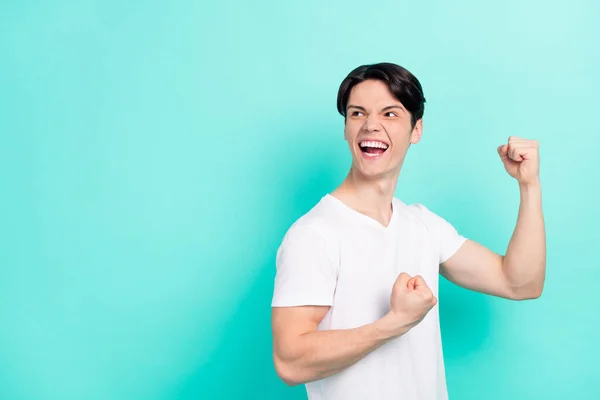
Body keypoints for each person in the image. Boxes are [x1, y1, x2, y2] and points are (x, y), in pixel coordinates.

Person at [270, 62, 546, 400]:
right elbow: (290, 363)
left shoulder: (423, 225)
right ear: (345, 128)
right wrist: (394, 323)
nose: (371, 125)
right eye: (358, 114)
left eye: (390, 114)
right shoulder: (314, 235)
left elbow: (520, 282)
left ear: (416, 130)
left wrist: (529, 186)